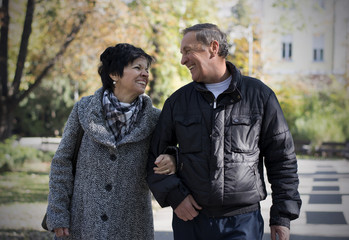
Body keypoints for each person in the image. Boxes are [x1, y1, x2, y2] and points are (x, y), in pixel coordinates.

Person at [146, 23, 302, 240]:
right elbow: (153, 157)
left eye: (188, 51)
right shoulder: (177, 102)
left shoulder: (259, 96)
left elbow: (282, 159)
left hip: (242, 223)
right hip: (190, 222)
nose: (183, 60)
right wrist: (175, 195)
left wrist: (282, 217)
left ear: (213, 47)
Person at [46, 43, 175, 240]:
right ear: (114, 74)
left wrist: (173, 158)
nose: (145, 74)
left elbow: (172, 153)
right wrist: (58, 215)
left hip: (132, 228)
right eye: (137, 68)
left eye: (146, 70)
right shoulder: (84, 109)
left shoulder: (155, 119)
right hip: (81, 225)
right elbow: (62, 163)